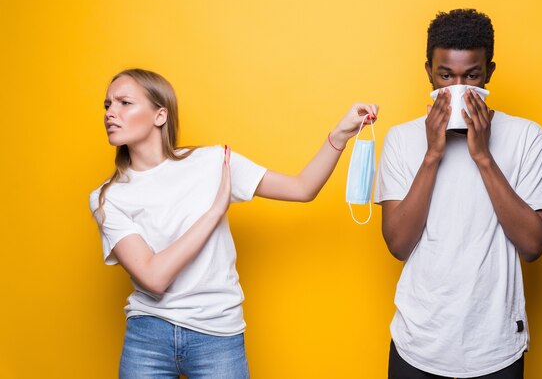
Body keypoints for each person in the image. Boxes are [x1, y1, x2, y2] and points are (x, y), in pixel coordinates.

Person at [89, 68, 378, 378]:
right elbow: (154, 277)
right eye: (108, 105)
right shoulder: (108, 197)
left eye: (124, 103)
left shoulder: (214, 163)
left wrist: (340, 134)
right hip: (148, 336)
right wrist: (214, 212)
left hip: (217, 334)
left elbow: (302, 188)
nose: (111, 113)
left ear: (160, 115)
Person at [375, 9, 542, 378]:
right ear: (428, 71)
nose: (457, 87)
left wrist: (483, 156)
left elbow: (534, 245)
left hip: (495, 349)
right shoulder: (401, 140)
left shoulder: (527, 137)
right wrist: (432, 155)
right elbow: (397, 244)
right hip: (418, 345)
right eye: (446, 75)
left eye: (471, 75)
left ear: (489, 72)